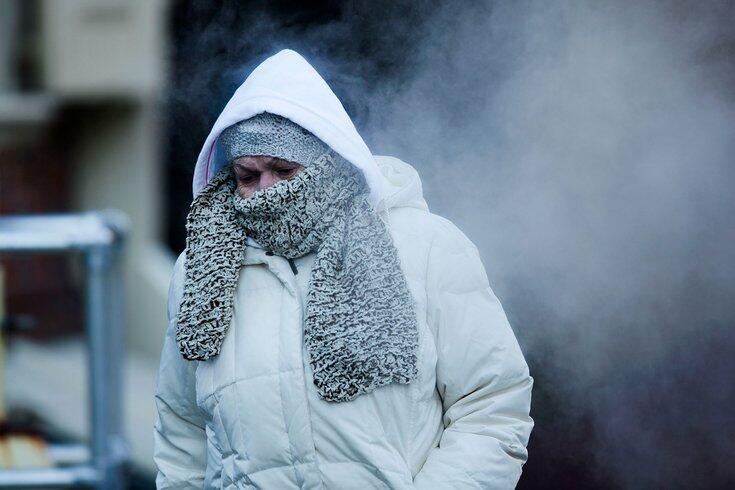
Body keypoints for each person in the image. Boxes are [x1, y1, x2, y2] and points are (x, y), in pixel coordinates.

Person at [153, 49, 534, 489]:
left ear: (327, 158)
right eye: (247, 175)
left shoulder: (426, 248)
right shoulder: (201, 271)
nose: (266, 191)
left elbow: (491, 408)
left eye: (283, 169)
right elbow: (181, 436)